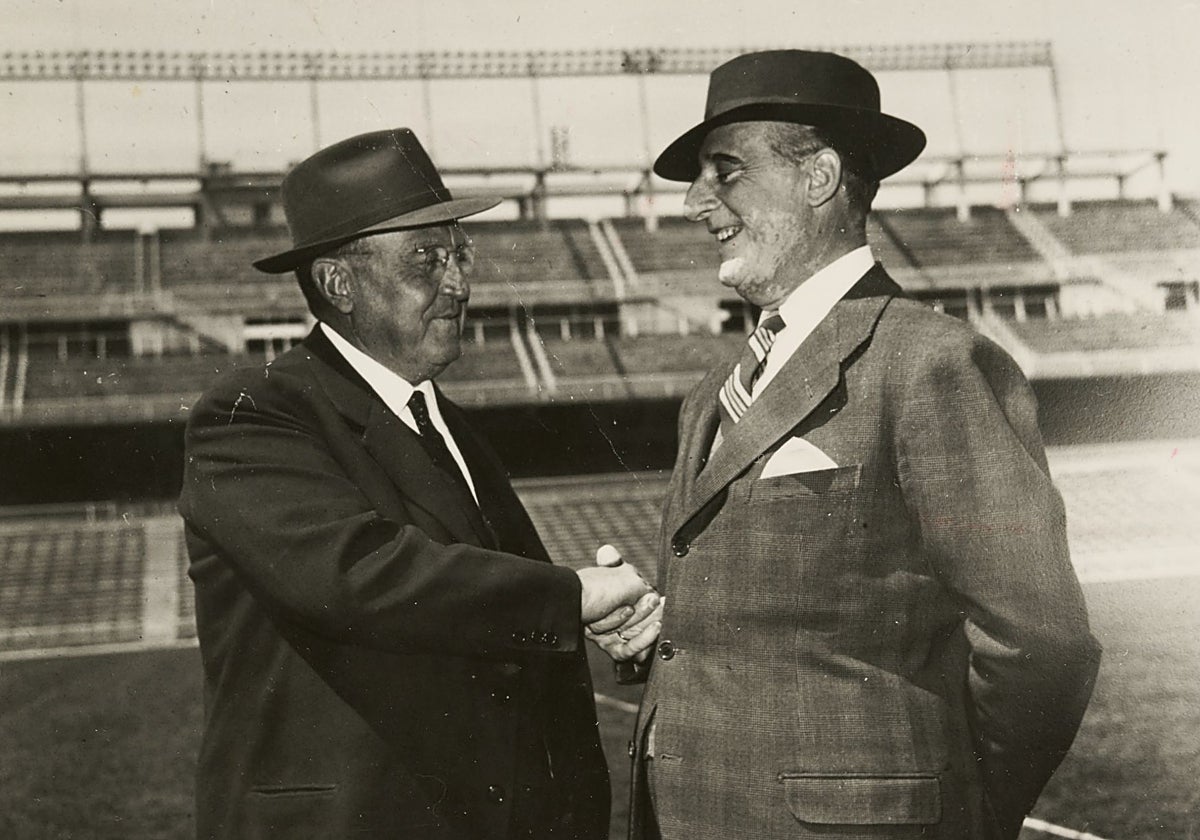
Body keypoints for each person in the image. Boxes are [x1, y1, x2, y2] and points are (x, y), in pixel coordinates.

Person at [618, 51, 1102, 840]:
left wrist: (968, 816)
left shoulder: (931, 363)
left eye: (725, 171)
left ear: (820, 177)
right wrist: (663, 624)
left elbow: (1040, 642)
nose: (695, 203)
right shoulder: (711, 393)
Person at [178, 127, 657, 840]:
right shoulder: (255, 413)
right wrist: (572, 596)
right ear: (338, 283)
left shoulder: (448, 424)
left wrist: (598, 625)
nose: (459, 283)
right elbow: (354, 575)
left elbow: (479, 609)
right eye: (426, 260)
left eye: (459, 254)